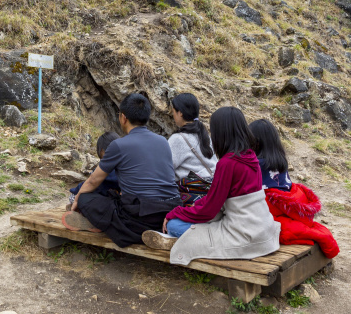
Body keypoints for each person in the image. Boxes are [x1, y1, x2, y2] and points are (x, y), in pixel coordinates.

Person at [142, 107, 280, 267]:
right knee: (192, 218)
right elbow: (217, 200)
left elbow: (209, 211)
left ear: (221, 133)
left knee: (174, 224)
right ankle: (179, 239)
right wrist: (196, 205)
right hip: (263, 231)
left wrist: (175, 212)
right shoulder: (250, 157)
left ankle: (179, 241)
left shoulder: (228, 163)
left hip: (243, 235)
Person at [61, 93, 180, 247]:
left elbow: (93, 181)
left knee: (86, 198)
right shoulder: (163, 141)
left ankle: (109, 226)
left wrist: (77, 200)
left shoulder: (118, 145)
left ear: (123, 118)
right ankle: (158, 232)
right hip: (170, 213)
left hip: (141, 216)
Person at [249, 119, 339, 259]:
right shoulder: (280, 161)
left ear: (255, 142)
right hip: (291, 202)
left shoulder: (256, 164)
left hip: (275, 205)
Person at [169, 93, 217, 203]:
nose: (173, 115)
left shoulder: (177, 139)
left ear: (180, 113)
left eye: (173, 111)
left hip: (191, 196)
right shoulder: (206, 136)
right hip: (211, 194)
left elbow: (165, 169)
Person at [68, 132, 120, 209]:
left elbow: (92, 181)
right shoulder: (124, 165)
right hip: (111, 196)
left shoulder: (106, 168)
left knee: (76, 198)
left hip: (87, 194)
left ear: (102, 151)